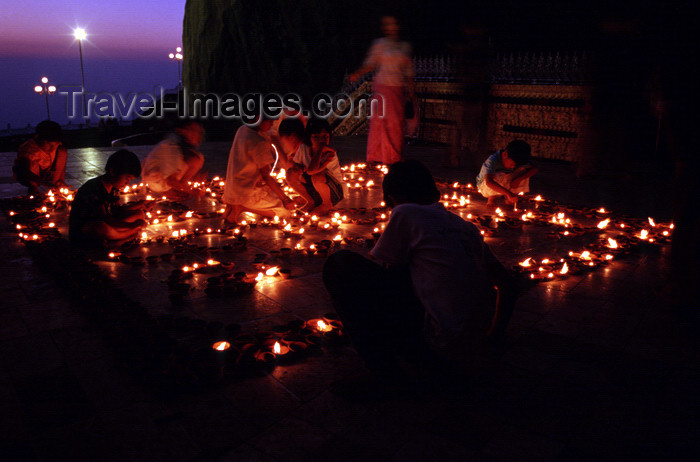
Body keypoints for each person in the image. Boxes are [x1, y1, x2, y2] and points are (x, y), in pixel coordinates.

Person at [323, 160, 518, 399]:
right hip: (470, 350)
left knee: (340, 265)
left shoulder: (406, 212)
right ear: (436, 194)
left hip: (436, 348)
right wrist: (494, 337)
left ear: (390, 201)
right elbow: (507, 284)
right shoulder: (466, 228)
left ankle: (386, 373)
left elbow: (391, 276)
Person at [349, 15, 415, 165]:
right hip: (381, 87)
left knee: (394, 124)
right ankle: (375, 156)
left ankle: (392, 157)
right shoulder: (379, 44)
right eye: (387, 24)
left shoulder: (404, 47)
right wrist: (358, 73)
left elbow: (409, 71)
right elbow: (371, 63)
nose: (390, 28)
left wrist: (411, 91)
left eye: (393, 24)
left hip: (397, 88)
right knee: (379, 122)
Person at [222, 117, 301, 223]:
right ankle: (241, 207)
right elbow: (266, 177)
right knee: (284, 212)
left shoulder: (242, 129)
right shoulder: (258, 142)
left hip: (232, 190)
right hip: (247, 192)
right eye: (270, 121)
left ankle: (233, 205)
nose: (272, 124)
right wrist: (285, 199)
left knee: (274, 195)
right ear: (258, 118)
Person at [69, 149, 147, 248]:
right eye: (127, 178)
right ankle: (126, 237)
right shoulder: (94, 188)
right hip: (86, 231)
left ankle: (119, 238)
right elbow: (105, 219)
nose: (127, 183)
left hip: (110, 225)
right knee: (101, 228)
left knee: (139, 213)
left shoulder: (114, 188)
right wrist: (131, 226)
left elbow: (118, 211)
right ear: (113, 171)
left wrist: (139, 205)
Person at [285, 118, 345, 215]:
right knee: (290, 173)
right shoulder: (303, 148)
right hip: (315, 190)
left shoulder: (329, 153)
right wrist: (298, 169)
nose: (321, 140)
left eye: (325, 136)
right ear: (309, 137)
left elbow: (312, 171)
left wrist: (320, 149)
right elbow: (296, 164)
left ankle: (326, 204)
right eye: (316, 137)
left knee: (317, 175)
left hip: (334, 193)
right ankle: (311, 201)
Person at [141, 120, 205, 199]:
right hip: (157, 183)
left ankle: (177, 187)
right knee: (195, 159)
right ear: (181, 131)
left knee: (197, 158)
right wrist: (192, 191)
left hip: (160, 179)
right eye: (192, 130)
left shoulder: (177, 145)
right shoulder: (171, 147)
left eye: (198, 131)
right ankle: (171, 190)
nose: (196, 134)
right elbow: (170, 181)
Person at [13, 120, 68, 195]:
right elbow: (25, 171)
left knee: (62, 151)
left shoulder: (55, 144)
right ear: (38, 138)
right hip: (27, 175)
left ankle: (57, 184)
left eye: (54, 145)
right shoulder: (28, 149)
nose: (52, 148)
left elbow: (62, 164)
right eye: (49, 145)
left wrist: (61, 180)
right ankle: (33, 188)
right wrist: (45, 183)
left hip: (47, 172)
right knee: (32, 163)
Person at [476, 139, 538, 205]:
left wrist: (519, 179)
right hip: (485, 186)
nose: (513, 167)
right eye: (512, 164)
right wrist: (508, 193)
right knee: (499, 175)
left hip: (505, 182)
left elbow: (535, 169)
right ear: (505, 154)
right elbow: (489, 182)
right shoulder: (492, 160)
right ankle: (492, 198)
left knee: (522, 170)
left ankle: (510, 198)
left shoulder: (516, 159)